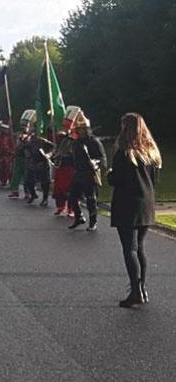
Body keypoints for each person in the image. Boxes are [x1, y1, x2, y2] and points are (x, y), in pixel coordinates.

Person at [108, 113, 160, 308]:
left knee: (129, 249)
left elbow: (117, 180)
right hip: (146, 203)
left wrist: (109, 176)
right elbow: (155, 180)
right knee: (140, 248)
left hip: (127, 204)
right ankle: (143, 288)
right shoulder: (151, 153)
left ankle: (135, 291)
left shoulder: (124, 153)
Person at [68, 115, 107, 231]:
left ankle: (93, 221)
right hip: (78, 173)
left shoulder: (94, 142)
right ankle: (79, 216)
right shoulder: (75, 143)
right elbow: (72, 158)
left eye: (81, 129)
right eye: (78, 129)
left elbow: (102, 158)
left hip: (90, 174)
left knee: (91, 199)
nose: (80, 132)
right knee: (72, 197)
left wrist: (95, 163)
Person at [23, 131, 54, 206]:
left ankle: (45, 199)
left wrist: (48, 155)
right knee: (29, 181)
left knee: (45, 183)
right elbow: (23, 147)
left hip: (43, 163)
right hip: (33, 163)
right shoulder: (29, 142)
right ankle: (33, 194)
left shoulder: (43, 141)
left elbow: (53, 148)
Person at [51, 130, 75, 216]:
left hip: (71, 169)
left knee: (70, 189)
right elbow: (55, 155)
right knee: (59, 189)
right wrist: (55, 156)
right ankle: (60, 207)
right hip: (61, 168)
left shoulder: (73, 142)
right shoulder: (59, 145)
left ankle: (71, 209)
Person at [0, 122, 14, 187]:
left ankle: (11, 181)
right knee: (1, 169)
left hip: (8, 155)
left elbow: (13, 145)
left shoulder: (10, 137)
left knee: (9, 169)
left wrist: (11, 151)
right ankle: (3, 181)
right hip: (1, 155)